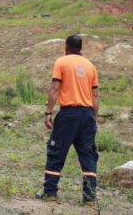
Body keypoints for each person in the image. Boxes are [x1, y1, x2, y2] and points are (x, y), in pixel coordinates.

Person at [37, 35, 99, 206]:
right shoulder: (91, 66)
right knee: (88, 155)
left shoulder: (61, 62)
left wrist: (48, 112)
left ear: (66, 46)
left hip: (68, 114)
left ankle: (50, 193)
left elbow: (55, 88)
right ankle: (89, 198)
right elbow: (95, 96)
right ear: (81, 47)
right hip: (87, 116)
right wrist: (95, 119)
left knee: (56, 151)